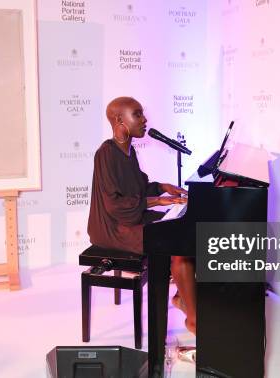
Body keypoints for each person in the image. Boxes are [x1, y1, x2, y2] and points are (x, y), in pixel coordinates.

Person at [87, 96, 196, 334]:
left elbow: (138, 189)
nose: (144, 120)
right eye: (137, 114)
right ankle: (193, 318)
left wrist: (162, 187)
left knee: (183, 228)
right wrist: (157, 200)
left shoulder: (129, 151)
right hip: (113, 229)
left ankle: (181, 296)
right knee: (174, 242)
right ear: (119, 120)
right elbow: (115, 206)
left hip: (132, 218)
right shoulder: (105, 154)